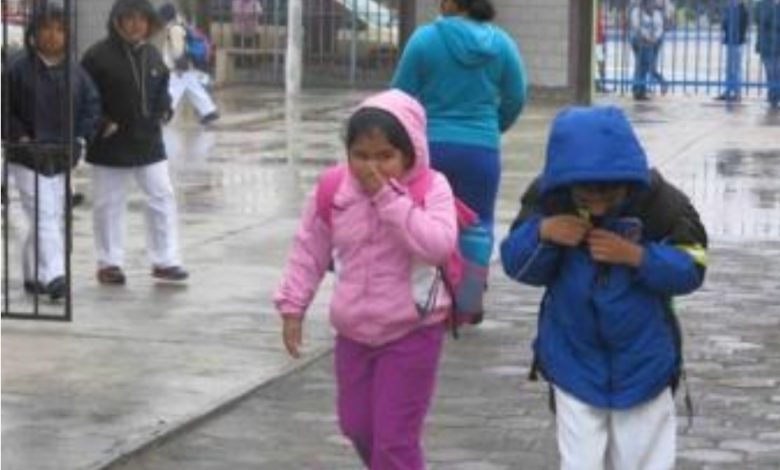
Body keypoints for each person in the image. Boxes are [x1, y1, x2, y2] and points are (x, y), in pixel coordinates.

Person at [500, 106, 708, 470]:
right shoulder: (548, 200)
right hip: (573, 359)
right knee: (579, 461)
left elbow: (693, 268)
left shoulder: (662, 204)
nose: (597, 207)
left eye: (609, 196)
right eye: (585, 198)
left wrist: (638, 257)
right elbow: (517, 265)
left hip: (644, 361)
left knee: (645, 460)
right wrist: (543, 233)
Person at [274, 90, 457, 469]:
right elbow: (308, 250)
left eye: (385, 156)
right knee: (357, 426)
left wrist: (390, 200)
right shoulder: (333, 189)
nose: (371, 167)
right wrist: (293, 307)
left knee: (394, 441)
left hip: (412, 332)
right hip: (353, 334)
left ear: (410, 154)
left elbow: (438, 246)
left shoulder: (431, 188)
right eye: (361, 155)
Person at [391, 0, 526, 264]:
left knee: (423, 222)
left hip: (431, 148)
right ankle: (470, 286)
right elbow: (516, 96)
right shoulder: (502, 43)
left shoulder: (424, 40)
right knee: (478, 223)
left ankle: (430, 283)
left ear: (452, 3)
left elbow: (399, 97)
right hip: (481, 151)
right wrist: (493, 126)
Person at [81, 0, 188, 285]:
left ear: (149, 23)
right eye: (129, 18)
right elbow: (82, 96)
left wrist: (164, 109)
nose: (136, 24)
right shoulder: (96, 56)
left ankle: (165, 261)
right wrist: (101, 124)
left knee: (161, 197)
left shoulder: (152, 55)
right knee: (108, 204)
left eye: (142, 19)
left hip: (148, 140)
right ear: (117, 21)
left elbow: (162, 89)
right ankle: (109, 263)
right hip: (110, 142)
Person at [2, 4, 101, 300]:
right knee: (43, 212)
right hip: (26, 155)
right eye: (46, 28)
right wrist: (19, 135)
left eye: (60, 29)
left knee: (51, 214)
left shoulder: (76, 72)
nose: (52, 35)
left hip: (61, 155)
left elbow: (91, 106)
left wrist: (81, 136)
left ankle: (34, 272)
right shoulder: (16, 68)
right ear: (33, 31)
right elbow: (4, 109)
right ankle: (56, 274)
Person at [158, 2, 219, 125]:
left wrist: (179, 66)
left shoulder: (175, 29)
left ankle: (165, 113)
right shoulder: (179, 26)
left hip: (179, 67)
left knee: (172, 91)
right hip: (185, 66)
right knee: (194, 89)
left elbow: (178, 49)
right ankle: (209, 111)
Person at [629, 0, 664, 100]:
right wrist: (646, 37)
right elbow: (636, 27)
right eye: (649, 2)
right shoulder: (636, 12)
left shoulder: (656, 13)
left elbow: (660, 28)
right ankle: (639, 89)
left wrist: (654, 38)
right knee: (642, 64)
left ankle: (639, 88)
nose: (651, 4)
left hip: (651, 42)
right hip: (638, 40)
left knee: (642, 65)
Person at [717, 0, 749, 102]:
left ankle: (737, 93)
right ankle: (728, 91)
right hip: (729, 41)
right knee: (729, 68)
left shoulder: (743, 10)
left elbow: (743, 26)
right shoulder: (729, 9)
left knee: (736, 68)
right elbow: (724, 24)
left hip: (738, 42)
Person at [755, 0, 780, 109]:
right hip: (766, 45)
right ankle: (772, 96)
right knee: (770, 72)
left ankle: (774, 96)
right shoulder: (761, 5)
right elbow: (761, 20)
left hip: (776, 45)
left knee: (776, 72)